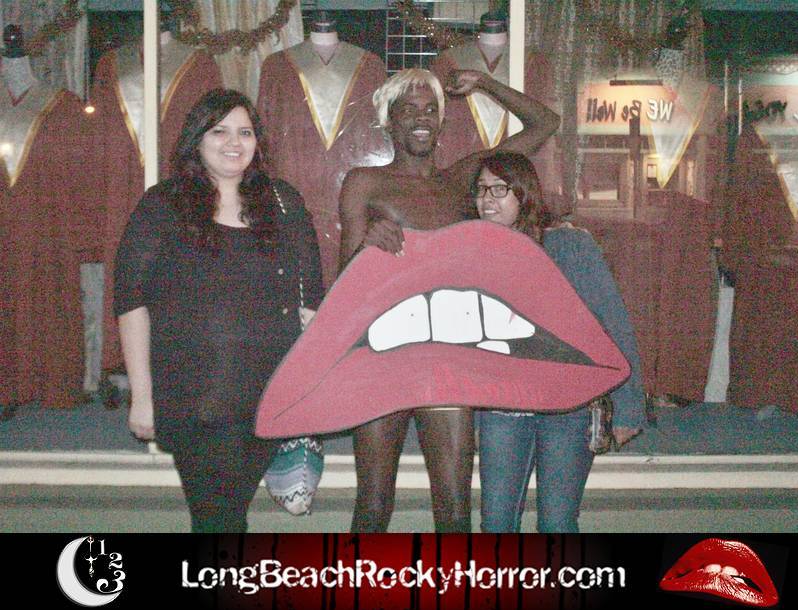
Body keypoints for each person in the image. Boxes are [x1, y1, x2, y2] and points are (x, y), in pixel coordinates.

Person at [338, 68, 560, 532]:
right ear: (389, 120)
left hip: (446, 360)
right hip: (381, 356)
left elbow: (545, 123)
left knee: (456, 508)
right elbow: (343, 287)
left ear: (441, 121)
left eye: (431, 110)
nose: (421, 118)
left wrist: (484, 84)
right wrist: (367, 247)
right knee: (373, 505)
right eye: (409, 109)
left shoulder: (462, 179)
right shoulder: (364, 182)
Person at [114, 89, 323, 532]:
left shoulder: (282, 202)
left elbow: (310, 299)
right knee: (218, 519)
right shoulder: (162, 205)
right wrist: (142, 396)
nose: (234, 142)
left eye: (245, 132)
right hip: (196, 399)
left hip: (268, 395)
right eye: (219, 131)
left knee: (227, 517)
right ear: (197, 139)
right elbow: (131, 303)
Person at [472, 151, 646, 532]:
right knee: (496, 522)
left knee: (557, 522)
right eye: (481, 189)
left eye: (499, 189)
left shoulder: (570, 246)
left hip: (569, 408)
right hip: (504, 408)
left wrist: (629, 405)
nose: (487, 199)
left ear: (524, 193)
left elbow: (613, 322)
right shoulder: (476, 253)